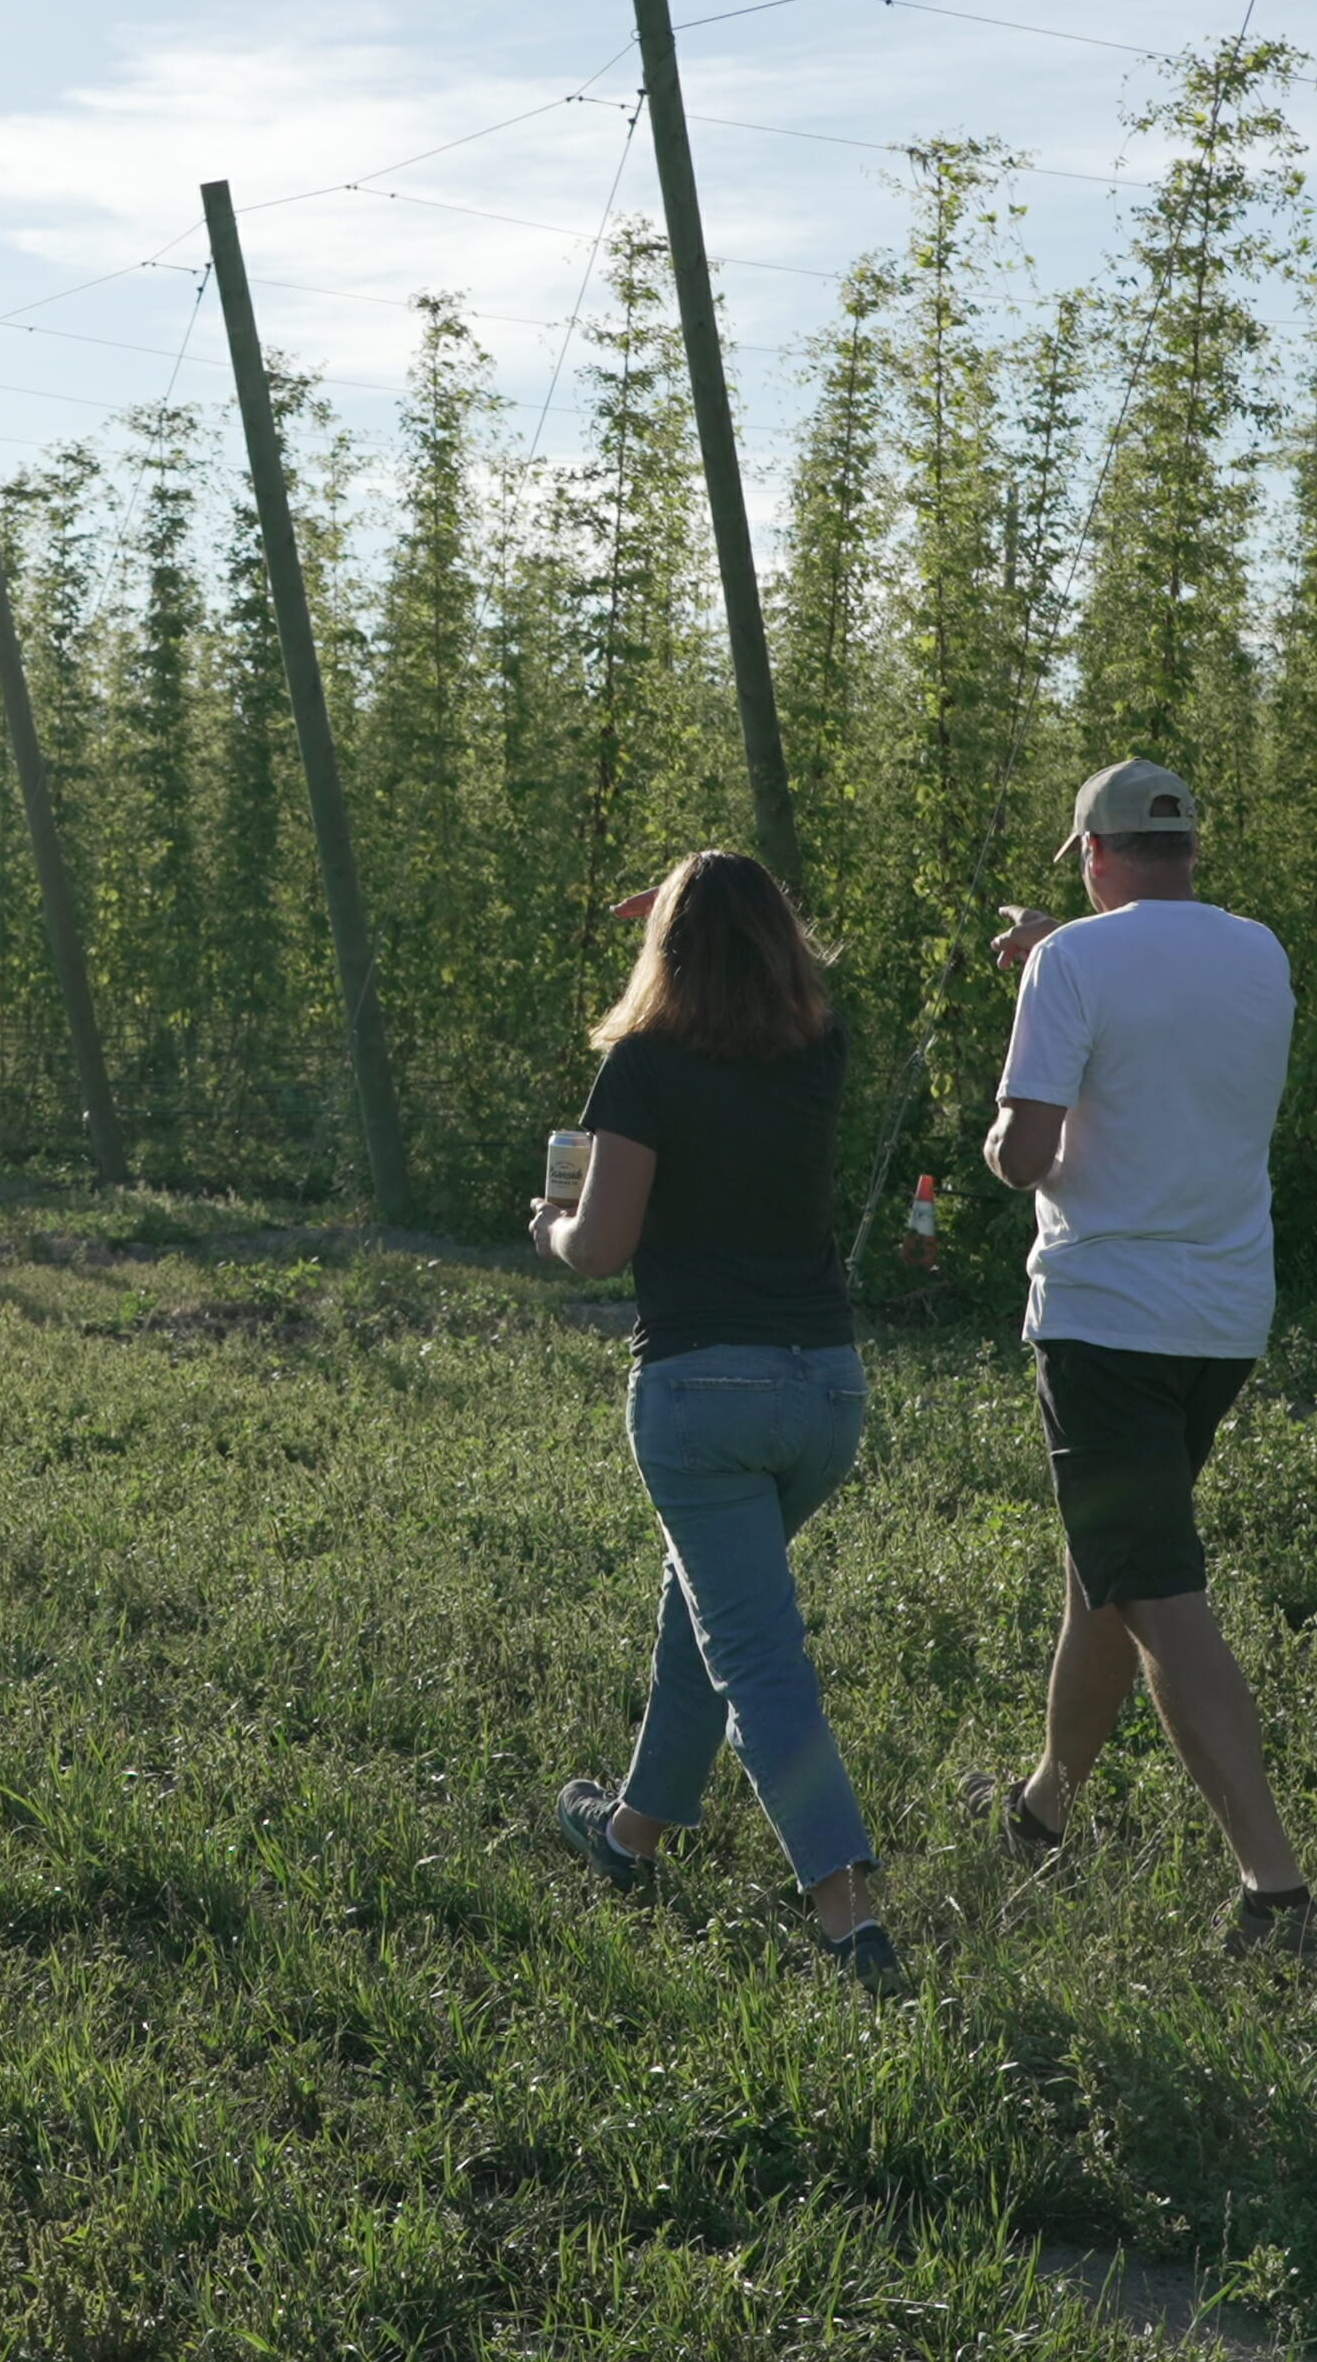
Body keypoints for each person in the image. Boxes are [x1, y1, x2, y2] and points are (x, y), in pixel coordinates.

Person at [528, 849, 900, 1993]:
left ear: (665, 950)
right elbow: (752, 968)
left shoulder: (641, 1066)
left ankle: (851, 1913)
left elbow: (603, 1246)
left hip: (701, 1395)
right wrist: (702, 907)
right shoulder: (818, 1050)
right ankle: (630, 1833)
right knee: (708, 1607)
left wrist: (544, 1222)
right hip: (826, 1393)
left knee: (756, 1656)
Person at [972, 758, 1317, 1962]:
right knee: (1106, 1572)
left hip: (1105, 1317)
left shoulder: (1073, 965)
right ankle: (1042, 1805)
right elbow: (1155, 984)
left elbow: (1023, 1157)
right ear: (1185, 849)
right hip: (1221, 1320)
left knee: (1157, 1595)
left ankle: (1275, 1895)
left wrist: (995, 1124)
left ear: (1089, 851)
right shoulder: (1258, 951)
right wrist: (1054, 952)